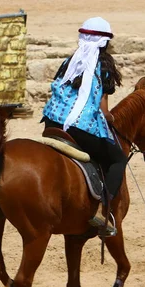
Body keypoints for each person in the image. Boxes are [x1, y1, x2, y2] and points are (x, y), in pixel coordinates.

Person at [41, 16, 126, 236]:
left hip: (52, 122)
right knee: (118, 160)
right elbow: (103, 110)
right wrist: (110, 119)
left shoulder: (67, 62)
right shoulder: (104, 66)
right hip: (80, 128)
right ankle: (103, 211)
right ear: (105, 42)